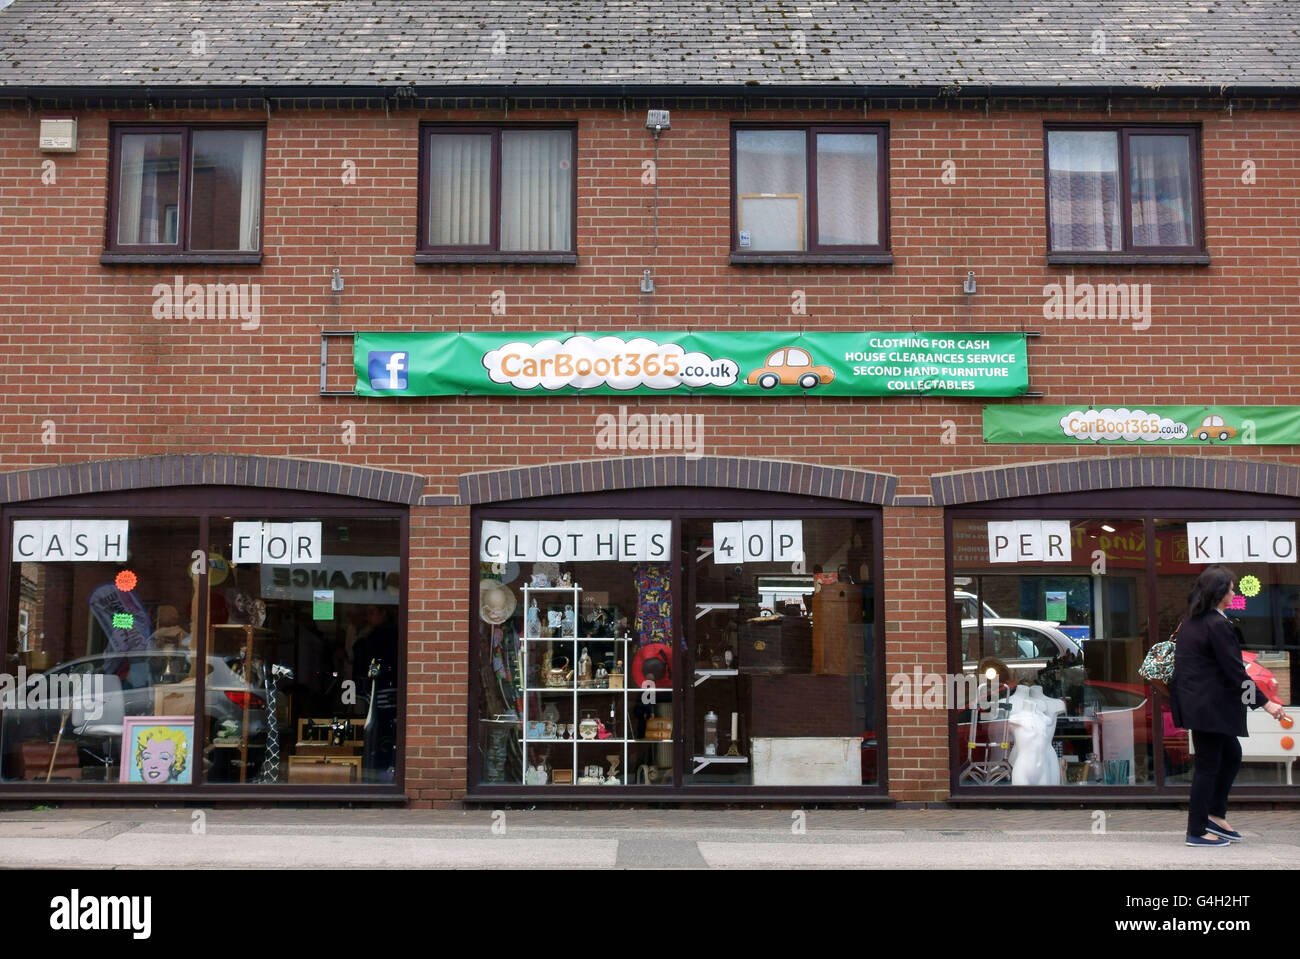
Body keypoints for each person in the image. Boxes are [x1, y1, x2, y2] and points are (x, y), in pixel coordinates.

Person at [1171, 565, 1289, 846]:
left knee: (1231, 755)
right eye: (1231, 588)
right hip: (1209, 708)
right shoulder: (1216, 624)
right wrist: (1265, 704)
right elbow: (1236, 672)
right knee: (1208, 766)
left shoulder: (1192, 621)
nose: (1234, 592)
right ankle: (1197, 830)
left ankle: (1214, 815)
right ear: (1220, 592)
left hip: (1201, 705)